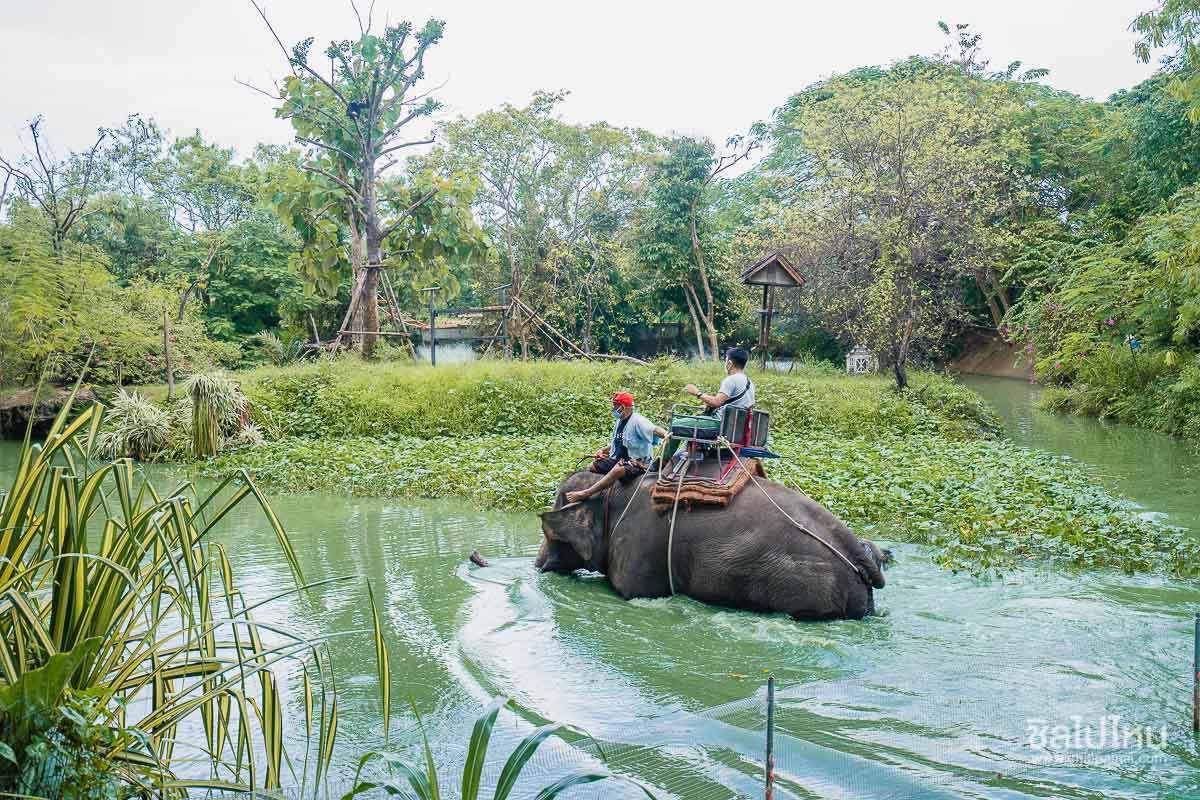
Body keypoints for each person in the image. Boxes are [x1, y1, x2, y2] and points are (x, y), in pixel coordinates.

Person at [565, 392, 667, 504]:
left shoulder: (638, 421)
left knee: (617, 470)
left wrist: (666, 434)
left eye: (615, 406)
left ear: (622, 407)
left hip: (636, 464)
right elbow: (618, 442)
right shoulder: (620, 421)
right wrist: (603, 450)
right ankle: (601, 489)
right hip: (617, 459)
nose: (613, 409)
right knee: (593, 466)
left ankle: (585, 493)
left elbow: (654, 429)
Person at [684, 347, 755, 414]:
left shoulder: (731, 380)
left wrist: (697, 393)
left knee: (677, 423)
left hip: (719, 422)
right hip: (737, 424)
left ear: (729, 363)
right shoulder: (750, 382)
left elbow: (717, 402)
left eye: (726, 360)